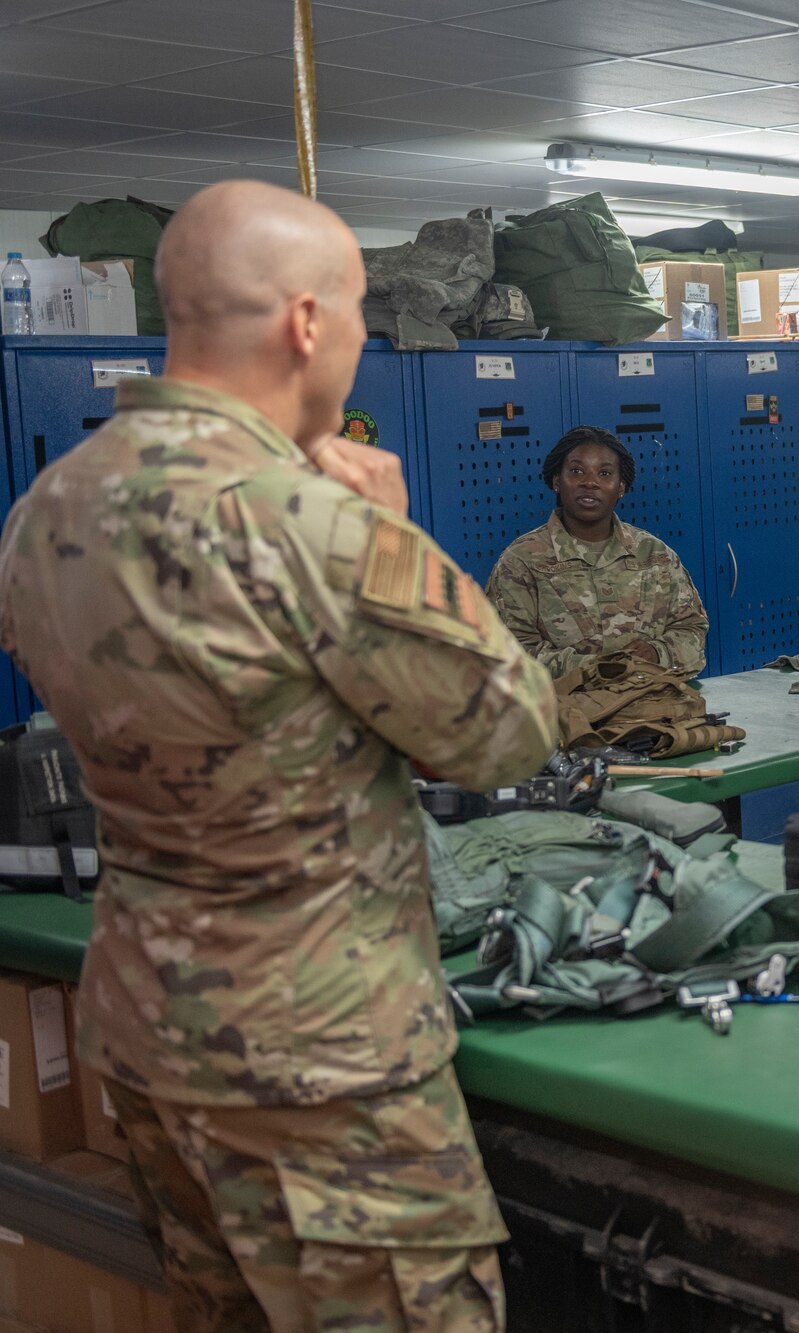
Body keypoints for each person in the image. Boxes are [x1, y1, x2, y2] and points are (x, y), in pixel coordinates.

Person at [0, 179, 559, 1332]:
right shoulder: (310, 525)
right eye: (357, 318)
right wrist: (395, 534)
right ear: (309, 322)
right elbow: (506, 732)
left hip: (150, 1033)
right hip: (321, 1067)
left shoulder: (51, 505)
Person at [486, 425, 708, 677]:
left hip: (650, 707)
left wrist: (658, 653)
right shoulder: (522, 560)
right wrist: (598, 669)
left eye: (604, 473)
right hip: (564, 712)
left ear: (621, 488)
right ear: (557, 481)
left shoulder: (654, 555)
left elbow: (693, 631)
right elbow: (506, 655)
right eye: (577, 471)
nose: (590, 482)